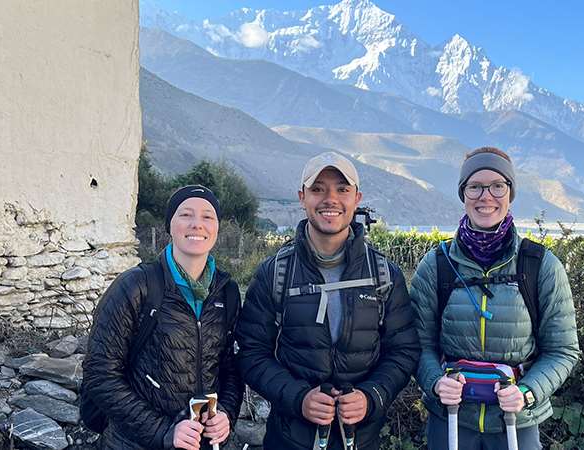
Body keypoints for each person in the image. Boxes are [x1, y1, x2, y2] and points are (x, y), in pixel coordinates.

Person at [236, 152, 420, 450]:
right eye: (318, 188)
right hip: (288, 439)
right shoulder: (275, 273)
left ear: (356, 198)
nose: (330, 199)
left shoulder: (384, 275)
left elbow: (404, 351)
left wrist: (371, 396)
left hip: (361, 439)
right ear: (302, 197)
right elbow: (251, 354)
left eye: (342, 190)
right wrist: (298, 398)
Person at [410, 147, 580, 449]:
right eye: (475, 186)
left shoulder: (539, 265)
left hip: (517, 419)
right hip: (451, 418)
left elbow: (562, 350)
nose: (485, 196)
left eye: (497, 186)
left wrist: (527, 392)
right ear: (463, 194)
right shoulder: (436, 264)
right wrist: (436, 382)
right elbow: (417, 344)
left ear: (510, 193)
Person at [82, 185, 244, 450]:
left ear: (217, 226)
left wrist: (226, 413)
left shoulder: (226, 292)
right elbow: (100, 374)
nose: (197, 224)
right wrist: (163, 432)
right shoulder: (136, 286)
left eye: (207, 216)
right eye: (186, 215)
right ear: (170, 224)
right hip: (135, 442)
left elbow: (231, 367)